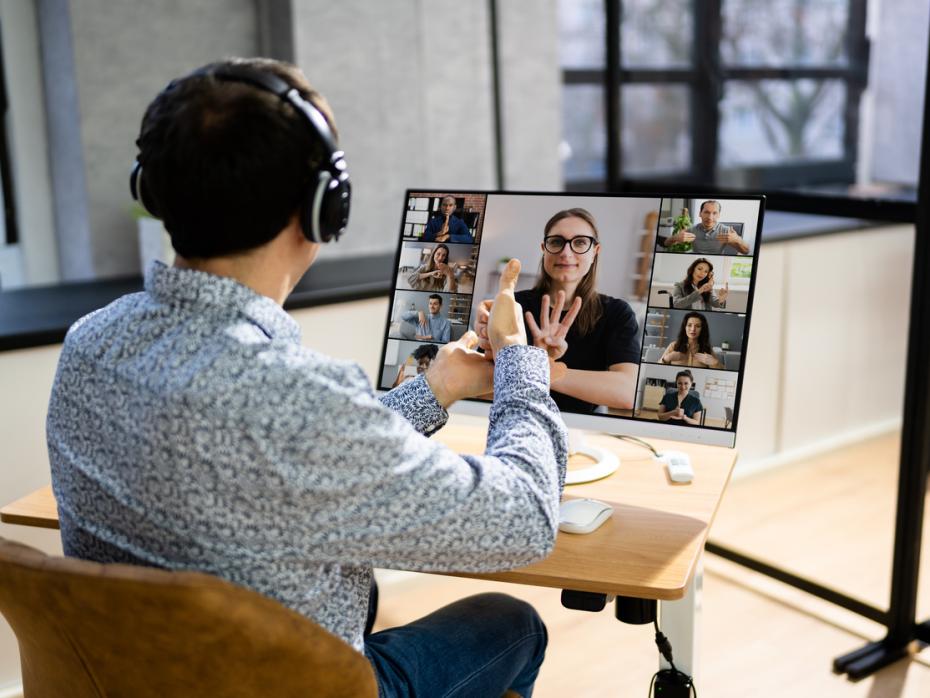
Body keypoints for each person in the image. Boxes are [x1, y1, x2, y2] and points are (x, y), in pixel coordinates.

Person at [46, 58, 568, 698]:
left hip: (140, 679)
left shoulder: (89, 346)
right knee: (513, 625)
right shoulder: (297, 400)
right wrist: (519, 359)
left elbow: (283, 463)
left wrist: (436, 389)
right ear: (325, 207)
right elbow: (524, 521)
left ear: (151, 190)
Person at [476, 208, 640, 414]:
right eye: (556, 242)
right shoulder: (513, 305)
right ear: (544, 248)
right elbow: (477, 387)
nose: (566, 252)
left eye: (580, 242)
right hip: (514, 418)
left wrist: (538, 368)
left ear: (595, 251)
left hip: (580, 427)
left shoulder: (617, 312)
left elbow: (626, 392)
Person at [662, 200, 749, 255]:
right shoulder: (692, 229)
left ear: (719, 215)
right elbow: (666, 243)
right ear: (700, 213)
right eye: (706, 212)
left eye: (714, 213)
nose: (710, 217)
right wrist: (675, 237)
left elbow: (746, 251)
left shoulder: (726, 231)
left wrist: (738, 239)